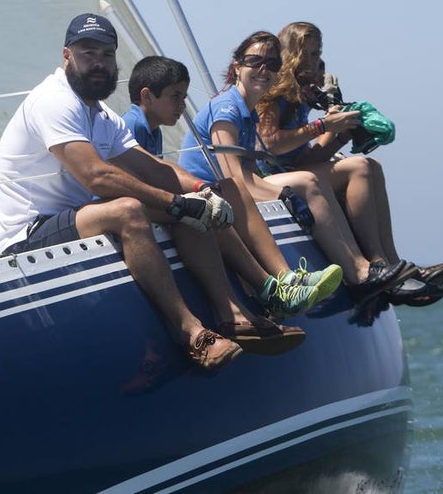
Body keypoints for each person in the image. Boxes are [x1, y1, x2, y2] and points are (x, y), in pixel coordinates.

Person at [0, 14, 302, 372]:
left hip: (77, 216)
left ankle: (234, 315)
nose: (98, 63)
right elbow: (97, 177)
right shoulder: (54, 101)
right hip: (28, 233)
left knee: (193, 209)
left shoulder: (102, 114)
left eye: (107, 55)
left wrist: (200, 191)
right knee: (129, 211)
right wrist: (173, 202)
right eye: (87, 52)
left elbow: (153, 167)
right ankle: (192, 333)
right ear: (66, 56)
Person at [179, 31, 418, 306]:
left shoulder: (248, 109)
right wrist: (283, 194)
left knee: (327, 176)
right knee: (306, 182)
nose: (262, 69)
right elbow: (235, 177)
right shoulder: (227, 109)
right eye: (254, 61)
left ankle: (368, 266)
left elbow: (251, 172)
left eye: (271, 64)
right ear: (236, 68)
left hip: (234, 189)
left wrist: (339, 134)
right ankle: (360, 272)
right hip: (214, 192)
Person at [123, 55, 342, 318]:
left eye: (183, 97)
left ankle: (286, 280)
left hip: (154, 201)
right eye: (176, 96)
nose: (182, 105)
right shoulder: (133, 125)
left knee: (232, 188)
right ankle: (270, 291)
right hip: (135, 206)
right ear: (147, 96)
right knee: (212, 208)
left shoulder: (152, 129)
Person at [256, 22, 443, 306]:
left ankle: (391, 263)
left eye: (317, 53)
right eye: (308, 54)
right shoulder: (272, 94)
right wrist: (323, 125)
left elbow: (303, 159)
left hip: (289, 172)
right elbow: (269, 143)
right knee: (359, 167)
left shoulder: (301, 98)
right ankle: (378, 265)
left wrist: (340, 135)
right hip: (268, 179)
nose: (314, 62)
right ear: (291, 56)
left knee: (369, 166)